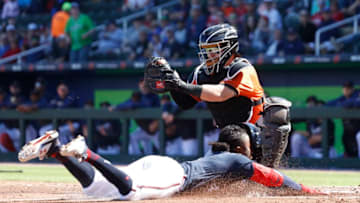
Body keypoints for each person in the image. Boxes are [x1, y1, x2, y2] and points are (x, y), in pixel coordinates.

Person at [18, 125, 323, 201]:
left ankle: (57, 150)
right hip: (173, 173)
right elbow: (270, 176)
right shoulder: (234, 159)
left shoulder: (220, 157)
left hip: (161, 165)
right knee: (129, 193)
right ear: (243, 147)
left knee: (97, 190)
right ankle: (86, 153)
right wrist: (306, 191)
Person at [144, 24, 292, 168]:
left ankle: (267, 168)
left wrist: (181, 85)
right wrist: (172, 86)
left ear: (229, 49)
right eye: (205, 50)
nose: (208, 55)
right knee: (205, 178)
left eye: (213, 50)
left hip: (254, 134)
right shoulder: (201, 72)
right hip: (228, 137)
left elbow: (221, 93)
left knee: (277, 111)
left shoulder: (241, 68)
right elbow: (185, 103)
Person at [327, 81, 360, 157]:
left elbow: (356, 103)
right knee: (349, 151)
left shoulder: (357, 94)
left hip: (358, 129)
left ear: (352, 89)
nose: (346, 90)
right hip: (348, 132)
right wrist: (345, 104)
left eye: (348, 88)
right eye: (345, 88)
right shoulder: (343, 98)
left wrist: (347, 103)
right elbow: (329, 104)